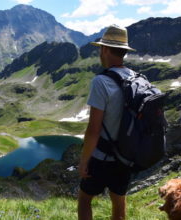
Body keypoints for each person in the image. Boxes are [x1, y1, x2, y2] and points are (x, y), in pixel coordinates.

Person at [78, 25, 136, 220]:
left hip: (102, 157)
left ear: (104, 49)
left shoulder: (101, 81)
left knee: (85, 200)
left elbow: (94, 129)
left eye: (100, 48)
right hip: (126, 157)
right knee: (118, 202)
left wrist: (85, 161)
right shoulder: (135, 78)